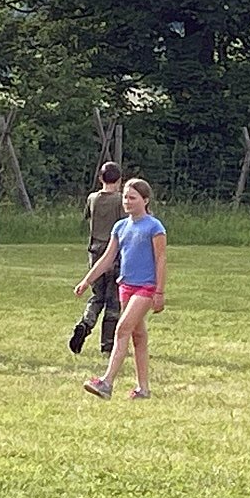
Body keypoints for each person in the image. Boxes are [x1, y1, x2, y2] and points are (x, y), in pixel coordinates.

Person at [77, 177, 165, 399]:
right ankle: (143, 389)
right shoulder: (120, 227)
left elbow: (161, 259)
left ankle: (106, 383)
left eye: (132, 198)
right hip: (125, 286)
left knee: (122, 329)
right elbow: (107, 258)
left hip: (146, 288)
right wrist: (87, 280)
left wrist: (159, 292)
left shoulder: (154, 227)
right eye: (125, 197)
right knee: (138, 336)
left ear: (145, 200)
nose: (127, 201)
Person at [69, 160, 124, 355]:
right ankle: (107, 344)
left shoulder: (92, 198)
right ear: (119, 180)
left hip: (94, 251)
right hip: (114, 253)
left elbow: (87, 217)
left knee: (97, 296)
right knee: (113, 299)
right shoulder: (120, 200)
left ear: (101, 178)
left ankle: (86, 323)